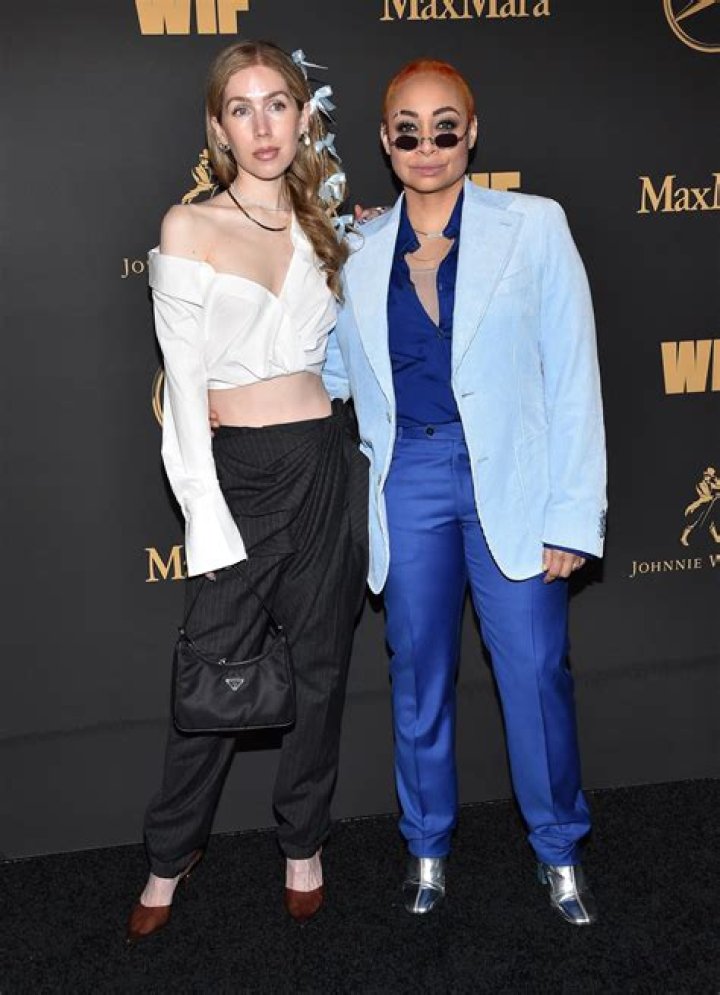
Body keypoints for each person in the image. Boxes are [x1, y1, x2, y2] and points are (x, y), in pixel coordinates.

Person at [323, 59, 607, 925]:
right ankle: (426, 845)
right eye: (408, 130)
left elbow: (573, 373)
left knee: (535, 674)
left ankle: (559, 849)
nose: (428, 145)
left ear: (472, 132)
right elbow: (329, 373)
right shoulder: (354, 249)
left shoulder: (535, 225)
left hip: (512, 481)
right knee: (418, 677)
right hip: (406, 476)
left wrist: (573, 513)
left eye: (445, 126)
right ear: (385, 140)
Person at [127, 40, 367, 942]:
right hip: (238, 474)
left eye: (278, 104)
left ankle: (303, 842)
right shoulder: (188, 227)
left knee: (321, 669)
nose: (263, 126)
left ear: (304, 117)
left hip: (324, 463)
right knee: (211, 677)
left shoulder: (325, 223)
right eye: (242, 107)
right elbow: (184, 387)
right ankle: (168, 853)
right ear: (218, 127)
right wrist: (205, 513)